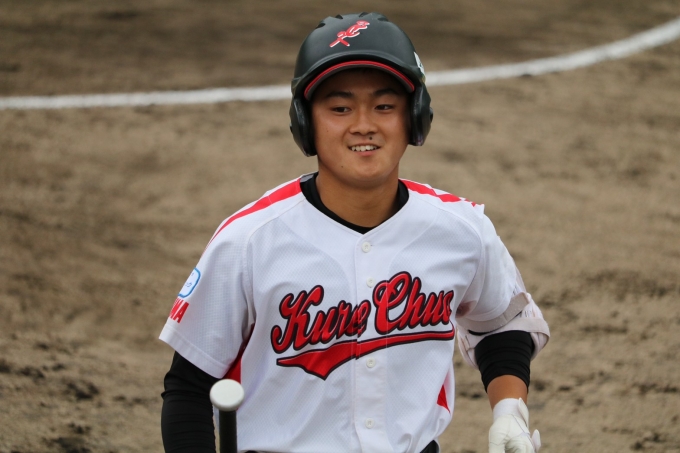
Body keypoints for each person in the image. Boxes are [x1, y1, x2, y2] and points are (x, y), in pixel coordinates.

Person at [160, 12, 549, 453]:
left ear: (415, 116)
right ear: (305, 122)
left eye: (384, 106)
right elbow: (188, 388)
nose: (364, 124)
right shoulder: (248, 242)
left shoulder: (461, 230)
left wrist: (510, 412)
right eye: (340, 108)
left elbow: (502, 324)